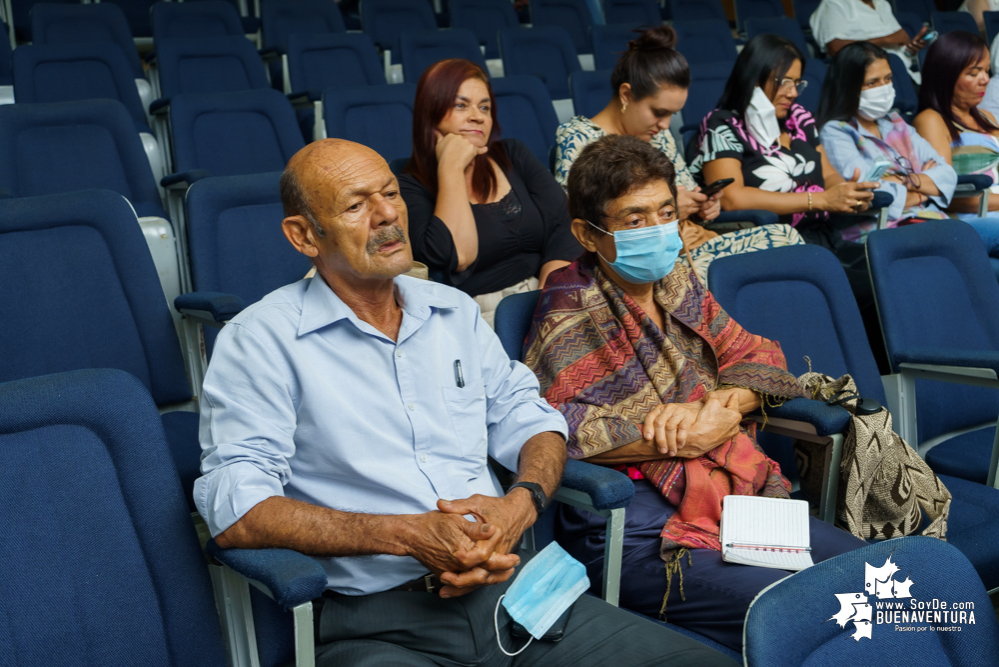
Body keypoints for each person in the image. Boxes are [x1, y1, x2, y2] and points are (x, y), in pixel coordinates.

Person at [194, 137, 739, 667]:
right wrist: (405, 534)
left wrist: (519, 505)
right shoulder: (260, 340)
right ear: (303, 235)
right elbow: (234, 506)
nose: (387, 215)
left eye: (389, 193)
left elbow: (533, 418)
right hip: (383, 624)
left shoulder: (450, 312)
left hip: (521, 597)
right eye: (357, 205)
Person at [524, 134, 865, 652]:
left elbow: (755, 355)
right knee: (827, 611)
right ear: (587, 234)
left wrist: (723, 405)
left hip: (734, 498)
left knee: (880, 580)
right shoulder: (567, 310)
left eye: (665, 211)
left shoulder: (676, 279)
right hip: (635, 528)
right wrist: (675, 438)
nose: (659, 231)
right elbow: (558, 431)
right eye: (635, 220)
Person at [554, 26, 805, 284]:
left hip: (692, 240)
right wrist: (673, 209)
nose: (665, 124)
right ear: (626, 95)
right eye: (659, 112)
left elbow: (687, 190)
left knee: (787, 240)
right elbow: (583, 222)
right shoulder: (578, 137)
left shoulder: (656, 135)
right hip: (642, 263)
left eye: (673, 114)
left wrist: (703, 204)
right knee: (758, 275)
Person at [400, 58, 582, 327]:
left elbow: (564, 222)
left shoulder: (512, 153)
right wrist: (451, 168)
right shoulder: (409, 184)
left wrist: (550, 295)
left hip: (547, 294)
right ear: (431, 113)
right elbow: (458, 258)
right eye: (461, 105)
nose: (478, 116)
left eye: (484, 107)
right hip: (477, 317)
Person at [689, 34, 878, 263]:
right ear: (755, 79)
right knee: (877, 286)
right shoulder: (723, 124)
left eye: (797, 83)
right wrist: (820, 200)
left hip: (825, 238)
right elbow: (731, 197)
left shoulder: (798, 117)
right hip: (776, 248)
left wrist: (845, 193)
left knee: (890, 268)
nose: (793, 93)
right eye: (785, 82)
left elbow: (827, 173)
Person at [819, 40, 999, 276]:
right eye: (873, 82)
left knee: (992, 269)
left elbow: (946, 174)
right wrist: (922, 184)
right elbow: (870, 189)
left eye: (887, 79)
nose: (883, 88)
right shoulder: (837, 132)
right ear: (849, 87)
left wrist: (904, 181)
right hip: (885, 231)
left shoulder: (895, 122)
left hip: (934, 223)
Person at [914, 31, 999, 219]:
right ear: (946, 76)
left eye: (986, 71)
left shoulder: (988, 117)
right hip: (973, 217)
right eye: (974, 73)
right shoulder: (931, 121)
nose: (985, 79)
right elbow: (945, 193)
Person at [809, 0, 929, 82]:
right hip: (865, 78)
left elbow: (897, 45)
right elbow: (835, 48)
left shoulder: (882, 4)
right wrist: (885, 39)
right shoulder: (834, 4)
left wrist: (910, 49)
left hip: (902, 74)